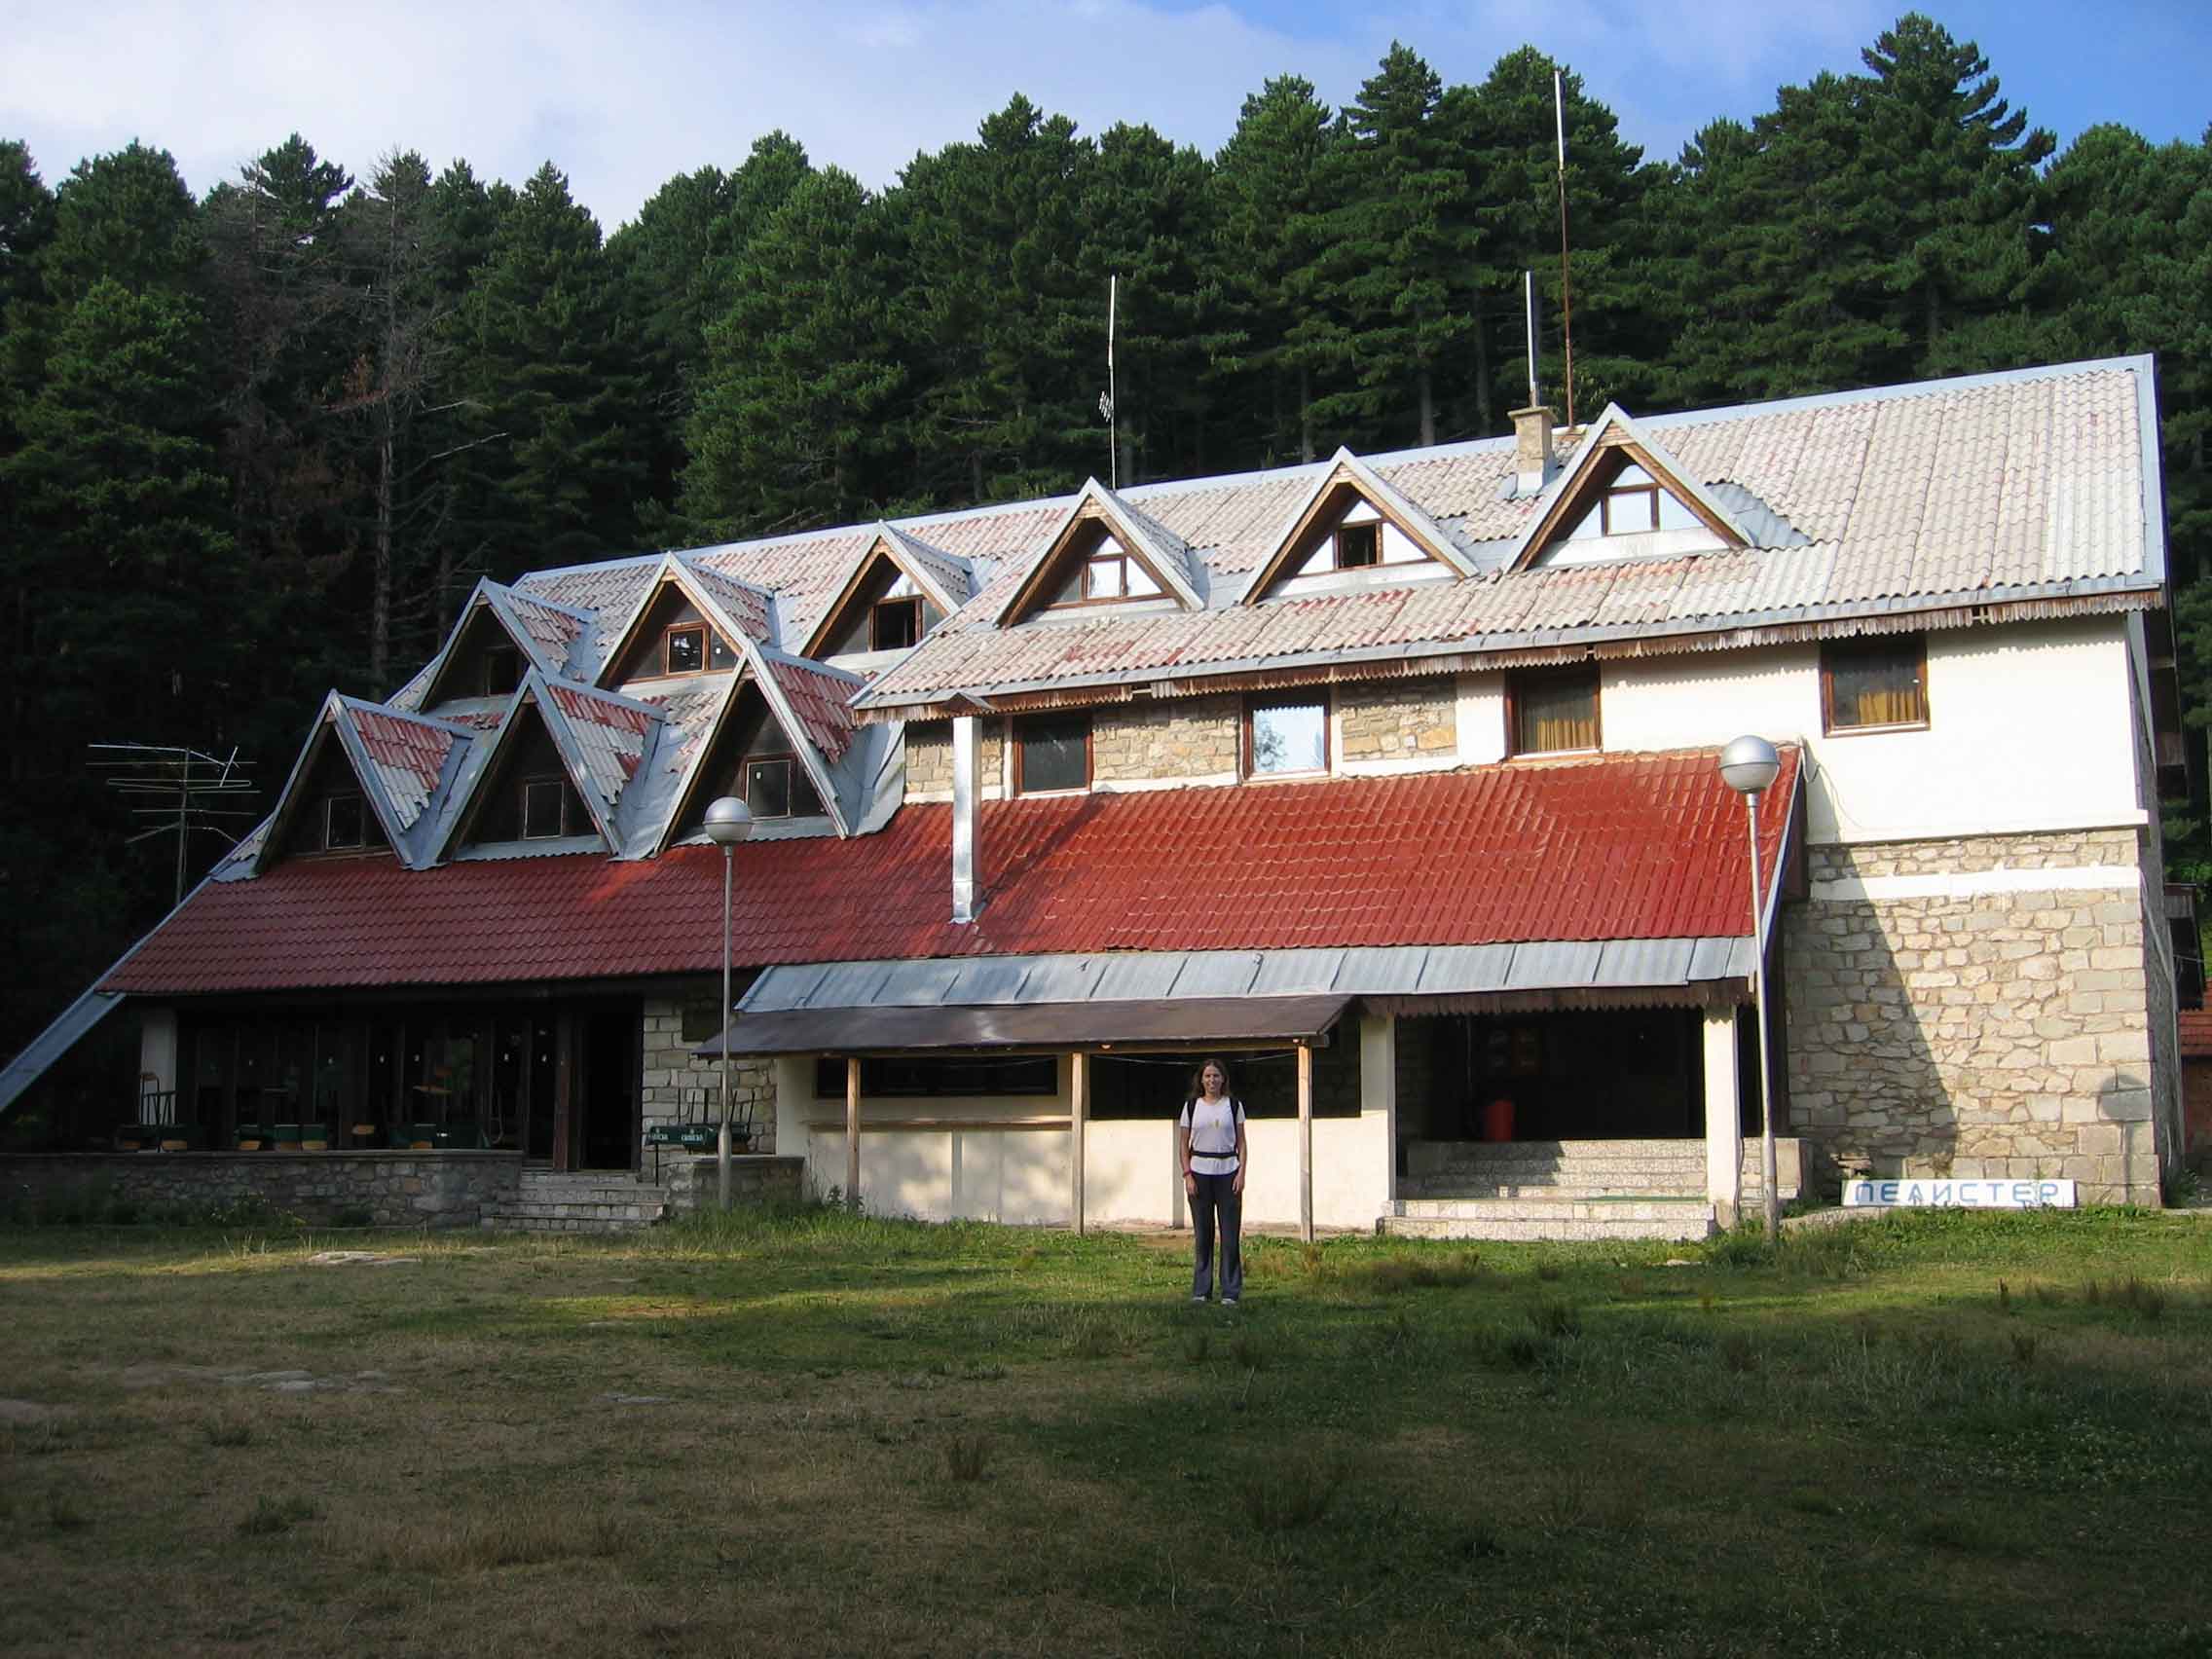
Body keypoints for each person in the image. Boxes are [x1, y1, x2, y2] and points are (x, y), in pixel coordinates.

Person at [1178, 1058, 1248, 1307]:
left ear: (1223, 1079)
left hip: (1228, 1172)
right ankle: (1201, 1290)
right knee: (1203, 1235)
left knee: (1230, 1236)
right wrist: (1187, 1175)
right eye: (1207, 1076)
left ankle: (1230, 1291)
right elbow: (1183, 1145)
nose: (1212, 1081)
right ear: (1201, 1080)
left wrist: (1241, 1174)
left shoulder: (1233, 1106)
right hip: (1199, 1174)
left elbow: (1241, 1142)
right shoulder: (1190, 1107)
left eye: (1216, 1076)